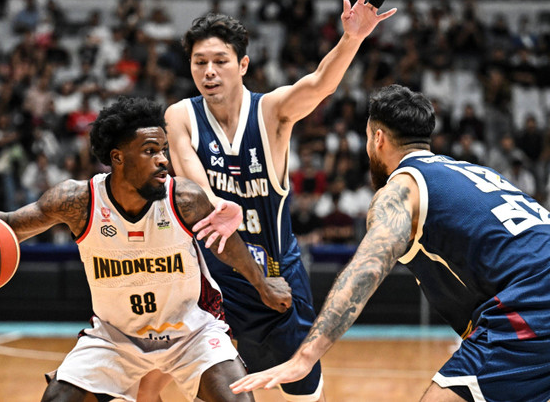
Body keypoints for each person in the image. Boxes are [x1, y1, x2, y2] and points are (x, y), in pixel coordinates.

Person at [0, 96, 292, 402]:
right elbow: (10, 225)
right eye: (150, 151)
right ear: (118, 158)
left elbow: (224, 242)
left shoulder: (183, 198)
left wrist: (262, 283)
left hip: (192, 333)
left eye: (164, 150)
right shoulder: (78, 201)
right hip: (115, 338)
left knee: (237, 397)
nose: (163, 160)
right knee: (58, 398)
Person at [230, 85, 550, 402]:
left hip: (532, 303)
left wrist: (306, 356)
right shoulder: (475, 172)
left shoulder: (401, 190)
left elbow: (366, 268)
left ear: (377, 138)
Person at [163, 0, 395, 401]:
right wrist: (217, 206)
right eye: (199, 63)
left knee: (302, 386)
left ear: (243, 64)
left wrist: (352, 38)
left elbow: (321, 85)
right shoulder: (181, 115)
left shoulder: (271, 111)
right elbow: (190, 178)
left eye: (220, 61)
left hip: (275, 271)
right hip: (215, 277)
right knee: (213, 387)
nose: (209, 72)